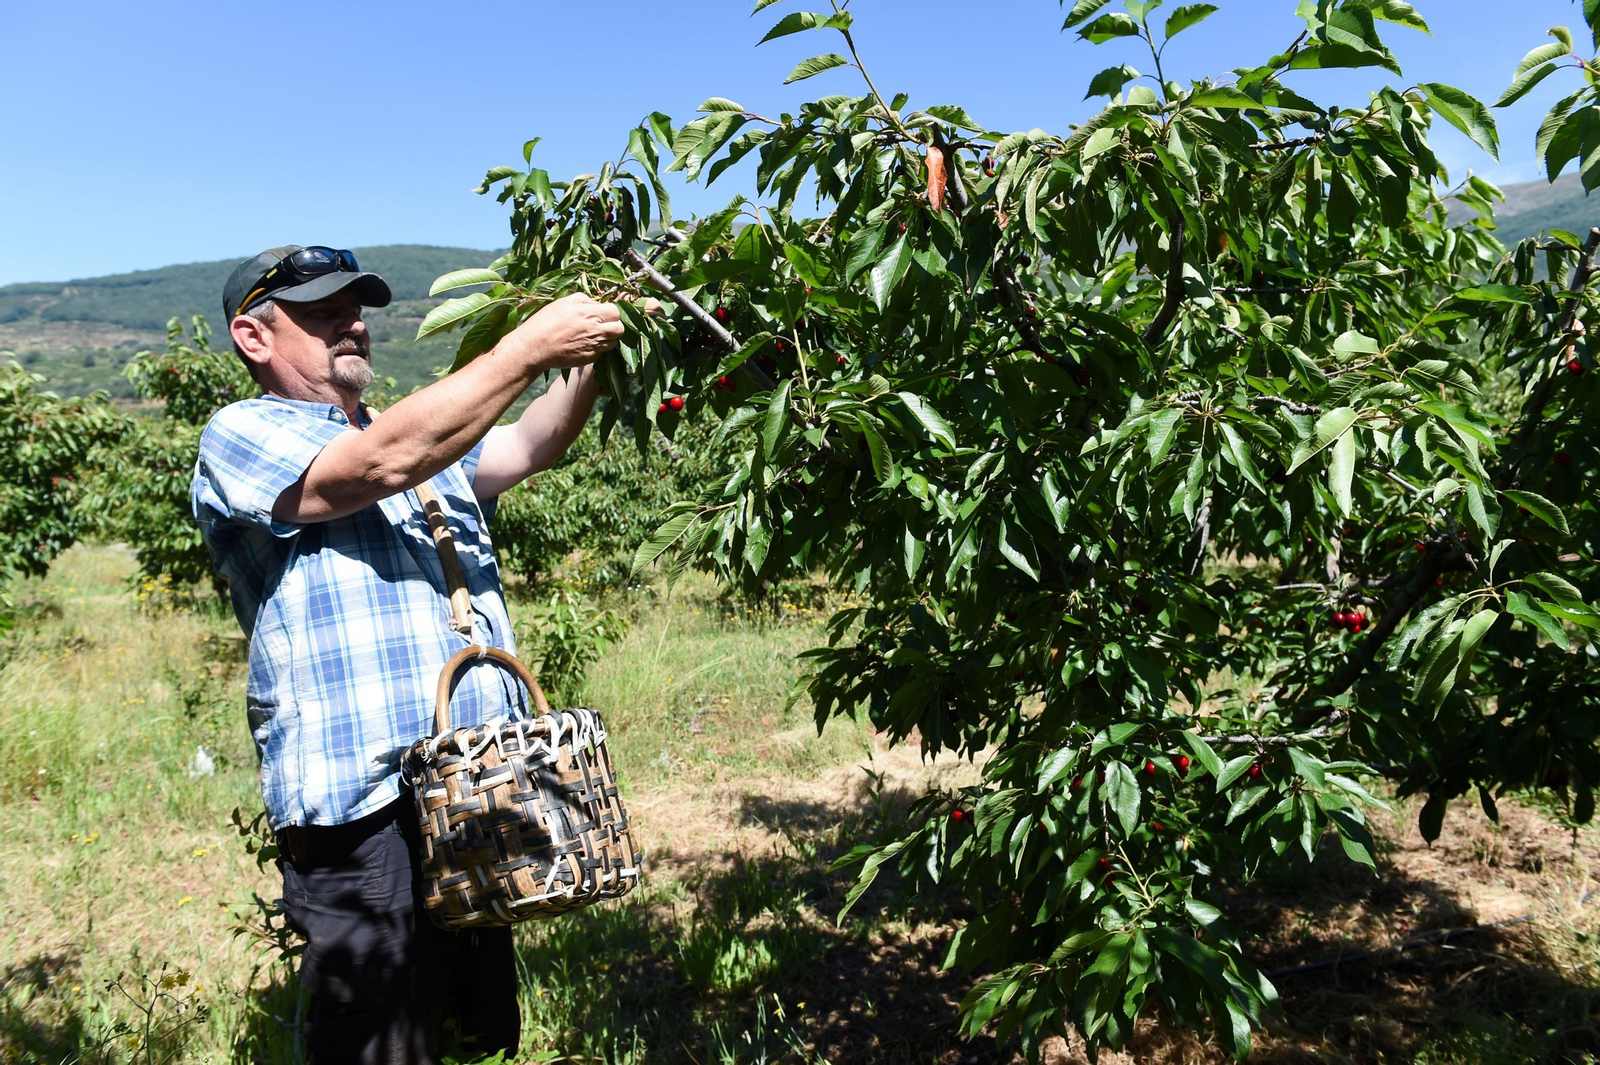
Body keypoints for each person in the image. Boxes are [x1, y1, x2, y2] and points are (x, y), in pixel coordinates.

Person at [192, 245, 622, 1063]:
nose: (351, 324)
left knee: (478, 1030)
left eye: (355, 309)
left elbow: (528, 445)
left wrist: (595, 347)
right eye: (322, 314)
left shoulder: (429, 445)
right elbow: (377, 461)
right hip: (364, 809)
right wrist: (527, 346)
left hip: (469, 788)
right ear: (254, 336)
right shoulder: (245, 433)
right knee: (383, 1042)